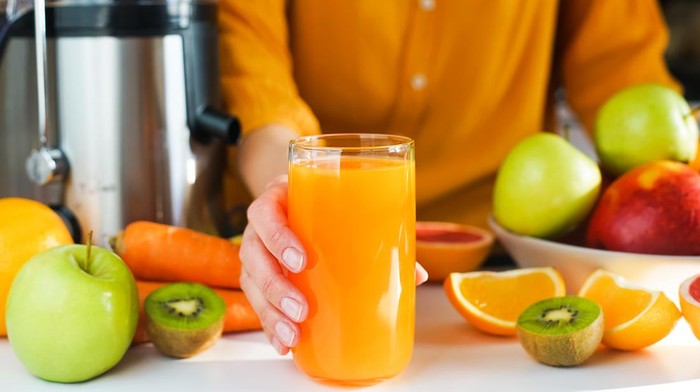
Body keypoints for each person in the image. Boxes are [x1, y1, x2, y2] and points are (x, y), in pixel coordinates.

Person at [218, 1, 681, 355]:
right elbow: (258, 92)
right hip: (311, 250)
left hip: (508, 264)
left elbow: (624, 79)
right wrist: (292, 188)